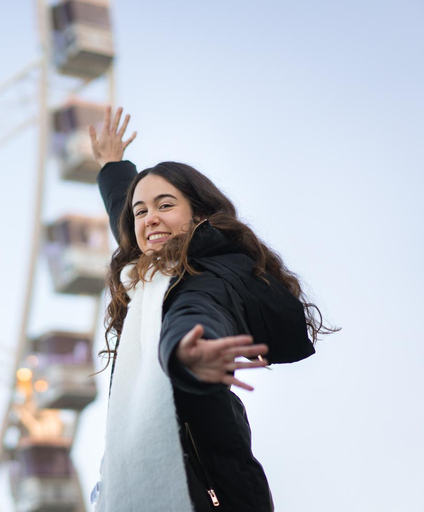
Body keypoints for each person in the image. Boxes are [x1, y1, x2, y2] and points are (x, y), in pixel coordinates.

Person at [87, 107, 334, 511]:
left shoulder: (207, 272)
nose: (150, 219)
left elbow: (196, 312)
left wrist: (188, 351)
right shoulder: (148, 271)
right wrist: (113, 165)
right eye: (141, 211)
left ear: (198, 214)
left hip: (198, 488)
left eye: (165, 205)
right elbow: (123, 207)